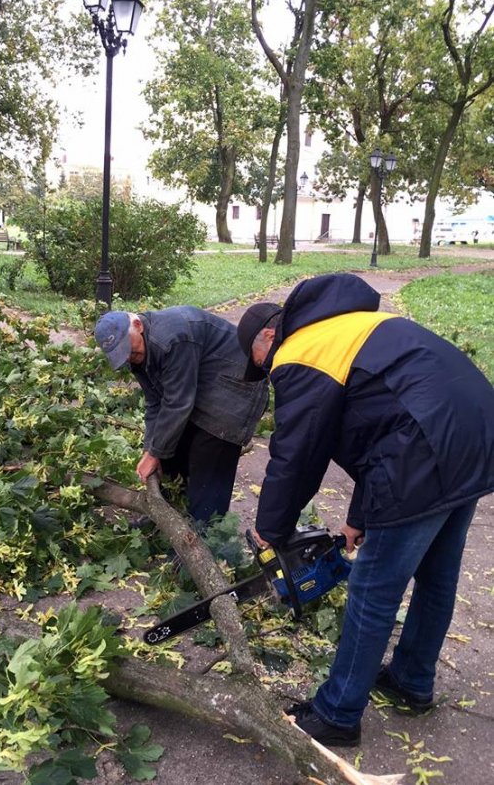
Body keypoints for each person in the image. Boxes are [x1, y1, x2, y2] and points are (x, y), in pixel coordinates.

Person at [236, 273, 494, 747]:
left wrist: (271, 530)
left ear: (269, 336)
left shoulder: (300, 351)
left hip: (425, 447)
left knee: (373, 588)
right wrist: (360, 515)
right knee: (437, 575)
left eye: (259, 363)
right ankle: (412, 680)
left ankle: (337, 713)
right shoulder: (351, 325)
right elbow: (380, 421)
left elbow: (297, 453)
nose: (266, 373)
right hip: (474, 430)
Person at [94, 307, 268, 524]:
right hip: (200, 385)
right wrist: (151, 449)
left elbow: (178, 403)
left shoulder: (173, 338)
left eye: (131, 350)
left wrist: (154, 453)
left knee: (208, 463)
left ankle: (205, 536)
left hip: (236, 389)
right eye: (123, 354)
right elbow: (154, 402)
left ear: (138, 326)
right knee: (171, 450)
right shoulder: (136, 353)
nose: (130, 357)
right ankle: (168, 520)